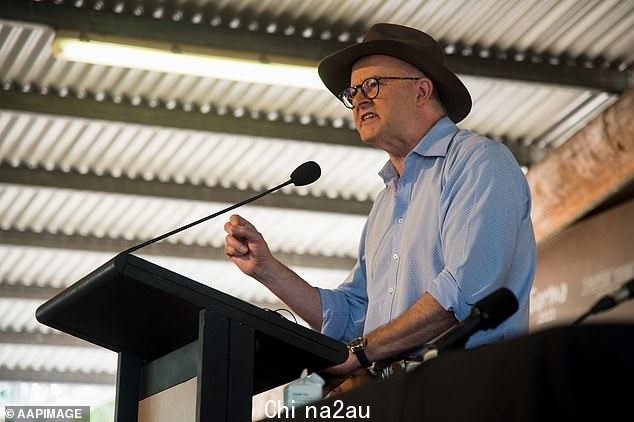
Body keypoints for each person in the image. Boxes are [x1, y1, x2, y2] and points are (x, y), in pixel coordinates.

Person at [224, 23, 536, 393]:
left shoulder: (478, 162)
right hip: (397, 398)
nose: (359, 100)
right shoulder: (385, 204)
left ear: (422, 90)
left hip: (470, 393)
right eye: (352, 91)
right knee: (291, 402)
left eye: (373, 85)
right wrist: (268, 271)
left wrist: (361, 353)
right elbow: (355, 315)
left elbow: (463, 295)